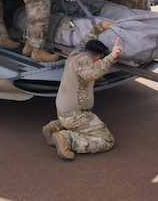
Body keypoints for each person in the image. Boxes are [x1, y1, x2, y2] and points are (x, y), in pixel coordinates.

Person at [42, 20, 122, 160]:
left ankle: (55, 126)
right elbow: (89, 73)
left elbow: (86, 39)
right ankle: (67, 139)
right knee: (107, 140)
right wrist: (111, 58)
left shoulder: (75, 54)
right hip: (75, 116)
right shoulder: (84, 62)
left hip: (62, 112)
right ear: (98, 58)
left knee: (73, 119)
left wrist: (99, 28)